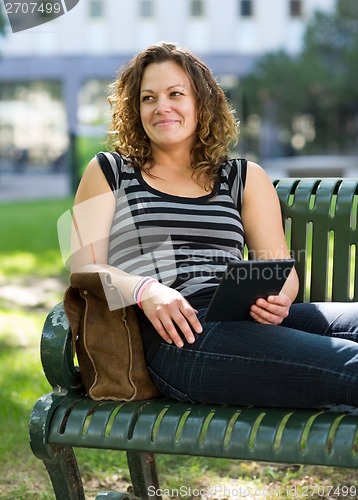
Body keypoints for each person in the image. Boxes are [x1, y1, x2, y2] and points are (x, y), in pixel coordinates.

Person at [71, 41, 358, 408]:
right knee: (348, 365)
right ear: (135, 108)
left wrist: (279, 299)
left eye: (176, 93)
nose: (162, 107)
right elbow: (83, 266)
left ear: (200, 102)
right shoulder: (108, 170)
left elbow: (279, 266)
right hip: (178, 339)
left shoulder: (244, 177)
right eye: (148, 98)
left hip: (245, 319)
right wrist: (146, 290)